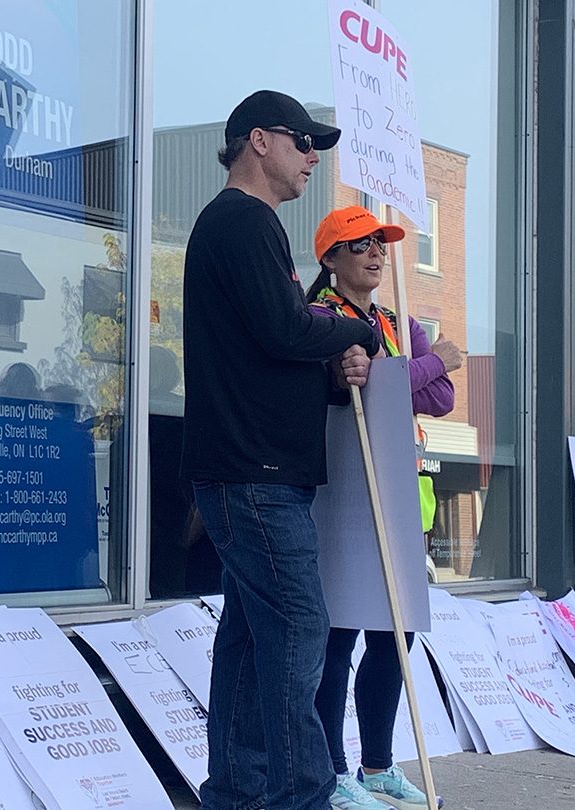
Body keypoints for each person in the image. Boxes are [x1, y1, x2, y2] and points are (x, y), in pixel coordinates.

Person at [182, 90, 381, 810]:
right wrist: (356, 335)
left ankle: (236, 793)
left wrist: (333, 365)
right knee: (298, 630)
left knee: (248, 640)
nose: (313, 159)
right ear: (258, 141)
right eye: (304, 143)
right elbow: (285, 331)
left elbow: (278, 347)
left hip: (251, 470)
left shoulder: (244, 226)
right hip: (254, 473)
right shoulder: (241, 221)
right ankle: (300, 796)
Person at [307, 206, 459, 810]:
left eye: (381, 243)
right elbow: (355, 387)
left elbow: (442, 396)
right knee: (338, 635)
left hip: (399, 494)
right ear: (331, 258)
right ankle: (333, 771)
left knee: (396, 635)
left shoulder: (397, 320)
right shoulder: (319, 315)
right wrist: (424, 365)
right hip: (343, 492)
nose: (376, 253)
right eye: (359, 244)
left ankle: (376, 763)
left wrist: (395, 371)